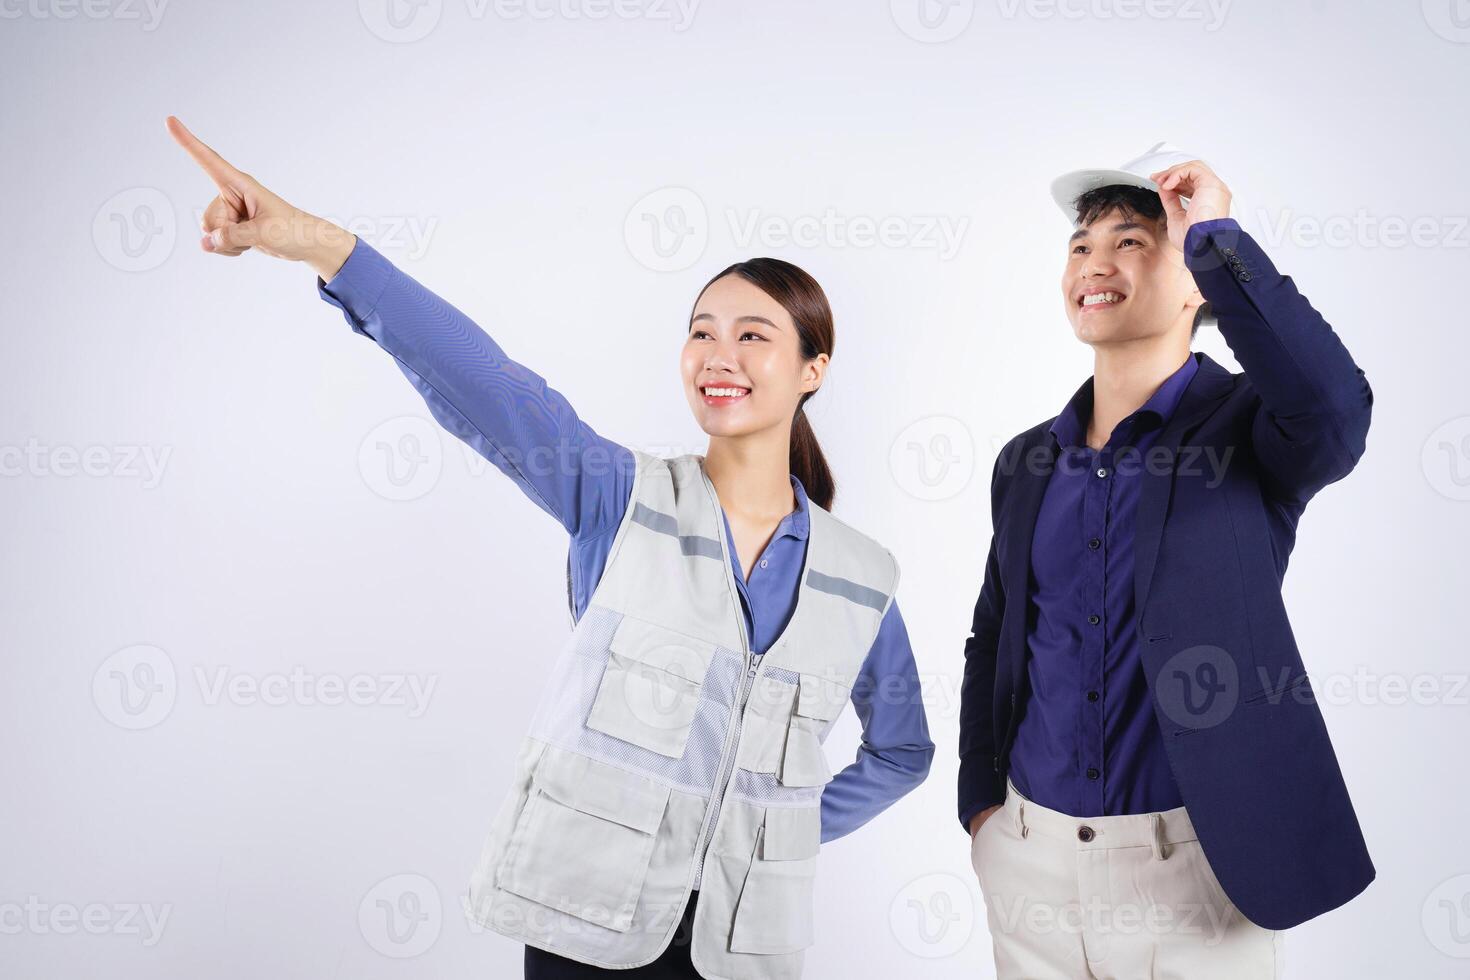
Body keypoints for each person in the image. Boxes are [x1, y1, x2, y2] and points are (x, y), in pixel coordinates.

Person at [166, 115, 934, 980]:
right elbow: (492, 386)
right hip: (586, 928)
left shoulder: (859, 579)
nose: (719, 354)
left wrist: (762, 833)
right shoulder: (616, 494)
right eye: (701, 330)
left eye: (753, 334)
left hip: (745, 948)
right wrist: (322, 246)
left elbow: (902, 751)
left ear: (813, 369)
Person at [957, 142, 1375, 979]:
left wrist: (1215, 236)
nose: (1094, 264)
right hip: (1031, 869)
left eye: (1130, 242)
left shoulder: (1252, 433)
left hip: (1197, 877)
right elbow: (996, 632)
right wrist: (983, 811)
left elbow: (1335, 409)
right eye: (1081, 246)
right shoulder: (1026, 462)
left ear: (1195, 284)